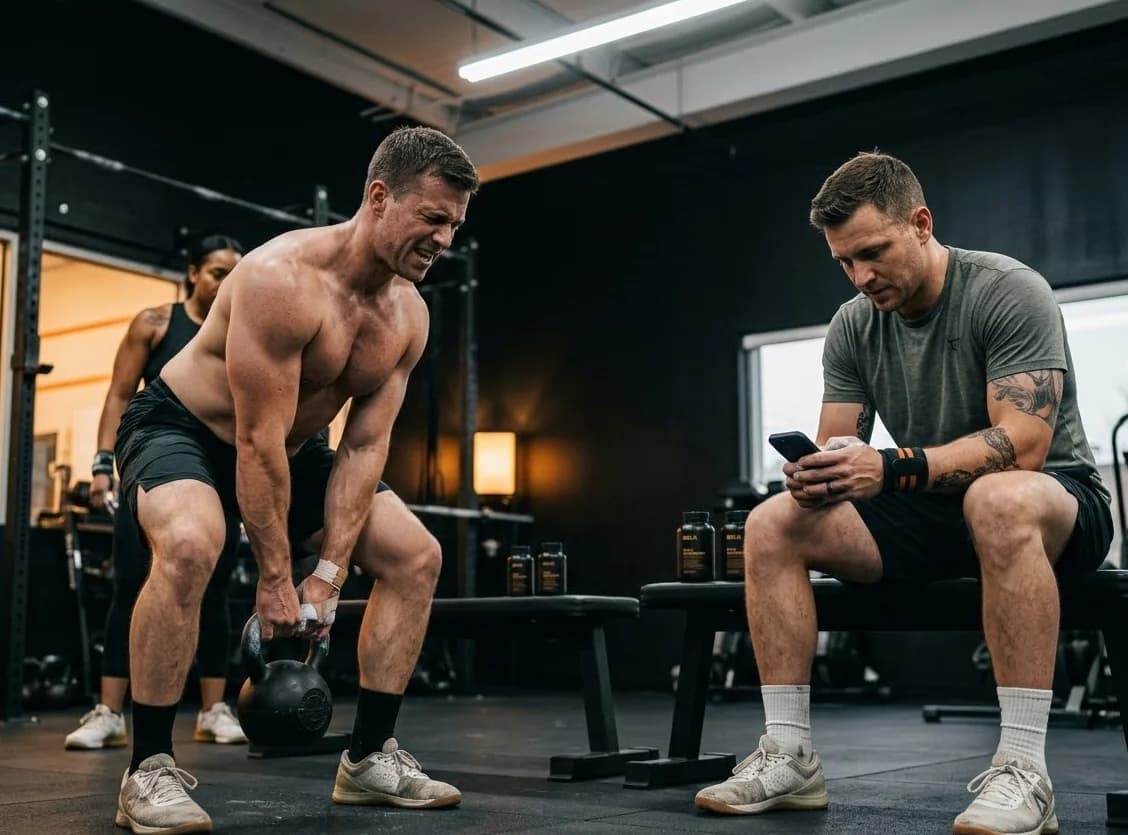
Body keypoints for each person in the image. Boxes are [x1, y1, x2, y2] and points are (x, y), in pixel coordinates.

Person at [694, 151, 1112, 835]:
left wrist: (888, 467)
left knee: (998, 499)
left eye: (872, 253)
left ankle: (1024, 770)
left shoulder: (1008, 290)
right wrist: (820, 474)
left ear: (921, 224)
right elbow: (837, 444)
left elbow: (1024, 444)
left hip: (1055, 500)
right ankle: (789, 753)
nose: (861, 276)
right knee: (773, 521)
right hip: (937, 506)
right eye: (844, 262)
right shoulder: (854, 323)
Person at [111, 126, 479, 834]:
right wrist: (278, 579)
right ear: (380, 197)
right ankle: (147, 769)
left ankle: (368, 759)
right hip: (183, 427)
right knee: (190, 545)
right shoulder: (279, 279)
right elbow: (254, 441)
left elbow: (363, 447)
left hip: (293, 446)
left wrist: (329, 576)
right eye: (433, 218)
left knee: (416, 556)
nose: (444, 239)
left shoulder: (409, 315)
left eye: (455, 225)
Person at [65, 234, 247, 752]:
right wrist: (103, 464)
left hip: (218, 467)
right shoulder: (155, 323)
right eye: (217, 272)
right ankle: (110, 712)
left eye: (234, 274)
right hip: (155, 461)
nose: (226, 283)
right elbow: (120, 393)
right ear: (192, 273)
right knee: (130, 582)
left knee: (215, 589)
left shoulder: (242, 327)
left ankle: (213, 709)